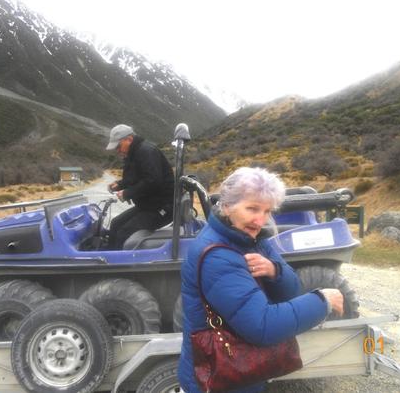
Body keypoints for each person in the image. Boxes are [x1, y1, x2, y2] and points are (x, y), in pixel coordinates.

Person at [178, 167, 344, 392]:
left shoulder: (250, 239)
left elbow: (293, 290)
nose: (260, 220)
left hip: (240, 370)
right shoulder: (217, 255)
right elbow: (262, 326)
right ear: (227, 206)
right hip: (218, 378)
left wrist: (274, 271)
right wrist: (322, 300)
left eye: (267, 211)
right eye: (252, 208)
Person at [104, 124, 174, 249]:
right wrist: (120, 184)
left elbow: (153, 181)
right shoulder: (134, 154)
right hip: (149, 206)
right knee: (115, 224)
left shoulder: (146, 152)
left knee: (123, 234)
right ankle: (108, 258)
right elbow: (136, 178)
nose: (117, 150)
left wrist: (127, 193)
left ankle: (119, 266)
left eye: (118, 146)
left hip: (163, 207)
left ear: (129, 139)